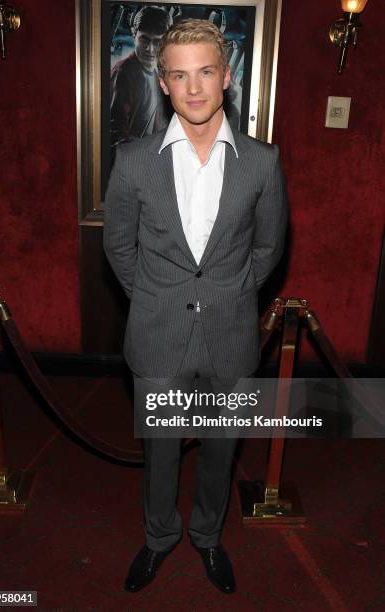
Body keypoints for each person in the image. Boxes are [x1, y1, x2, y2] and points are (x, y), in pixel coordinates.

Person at [104, 19, 288, 594]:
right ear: (162, 83)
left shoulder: (262, 161)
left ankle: (208, 536)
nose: (194, 88)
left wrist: (227, 295)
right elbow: (118, 247)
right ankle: (159, 538)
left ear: (226, 76)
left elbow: (268, 249)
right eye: (179, 75)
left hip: (230, 333)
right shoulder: (133, 161)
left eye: (205, 72)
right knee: (160, 455)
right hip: (157, 332)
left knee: (218, 452)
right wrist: (161, 298)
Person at [110, 6, 172, 151]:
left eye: (157, 42)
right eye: (144, 40)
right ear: (134, 34)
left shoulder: (158, 74)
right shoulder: (124, 73)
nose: (150, 49)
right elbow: (115, 132)